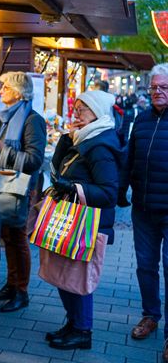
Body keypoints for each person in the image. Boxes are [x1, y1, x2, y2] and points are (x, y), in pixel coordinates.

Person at [45, 90, 120, 350]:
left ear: (96, 113)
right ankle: (73, 323)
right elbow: (56, 169)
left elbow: (109, 193)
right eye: (75, 108)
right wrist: (65, 140)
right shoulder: (83, 138)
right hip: (74, 218)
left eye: (82, 109)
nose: (76, 113)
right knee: (67, 276)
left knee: (78, 278)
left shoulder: (99, 146)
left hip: (88, 223)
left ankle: (82, 331)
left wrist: (72, 188)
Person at [120, 63, 168, 362]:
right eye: (154, 88)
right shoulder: (142, 119)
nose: (157, 92)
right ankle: (150, 315)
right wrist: (119, 194)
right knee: (146, 268)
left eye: (163, 87)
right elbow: (129, 158)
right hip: (143, 210)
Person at [0, 71, 46, 312]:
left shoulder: (32, 120)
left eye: (5, 88)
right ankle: (11, 285)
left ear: (19, 93)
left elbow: (35, 159)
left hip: (23, 188)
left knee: (19, 238)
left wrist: (3, 151)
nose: (1, 92)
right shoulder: (8, 116)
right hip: (6, 185)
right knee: (9, 236)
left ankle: (22, 290)